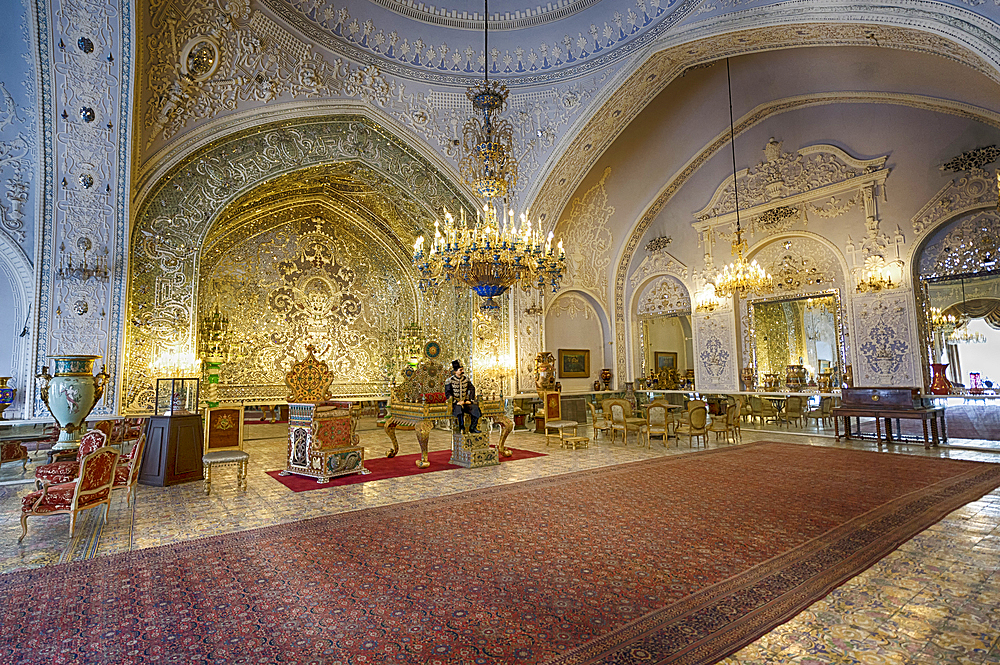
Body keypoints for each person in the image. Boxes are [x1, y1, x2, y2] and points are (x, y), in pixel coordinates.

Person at [445, 359, 481, 433]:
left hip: (465, 402)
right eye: (460, 370)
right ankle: (462, 428)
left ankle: (473, 427)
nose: (462, 371)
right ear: (456, 371)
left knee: (475, 408)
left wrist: (469, 400)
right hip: (455, 403)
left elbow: (472, 389)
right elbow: (448, 393)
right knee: (459, 409)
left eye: (462, 369)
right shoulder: (449, 381)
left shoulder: (466, 379)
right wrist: (455, 401)